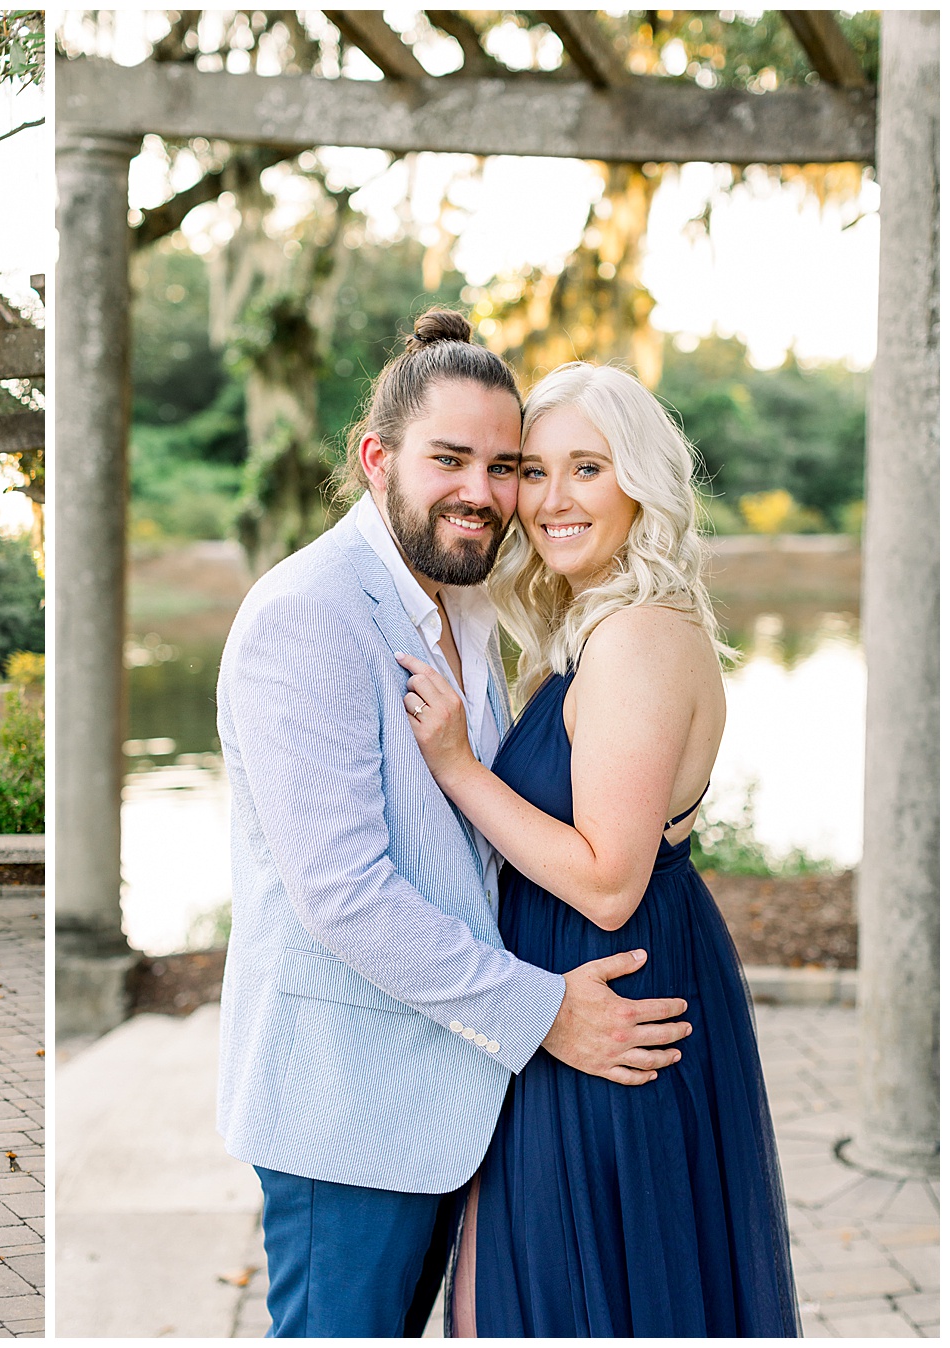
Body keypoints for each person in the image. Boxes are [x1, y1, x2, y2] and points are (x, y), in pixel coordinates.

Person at [215, 310, 694, 1338]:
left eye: (503, 463)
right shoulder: (306, 613)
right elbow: (343, 892)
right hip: (348, 1107)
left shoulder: (475, 605)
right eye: (450, 459)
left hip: (463, 1093)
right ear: (376, 456)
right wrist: (542, 1011)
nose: (482, 491)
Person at [399, 361, 800, 1336]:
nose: (550, 499)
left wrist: (458, 767)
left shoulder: (635, 639)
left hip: (608, 999)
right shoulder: (600, 628)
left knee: (571, 1294)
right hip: (575, 1001)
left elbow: (610, 880)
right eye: (534, 472)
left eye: (588, 468)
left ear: (642, 485)